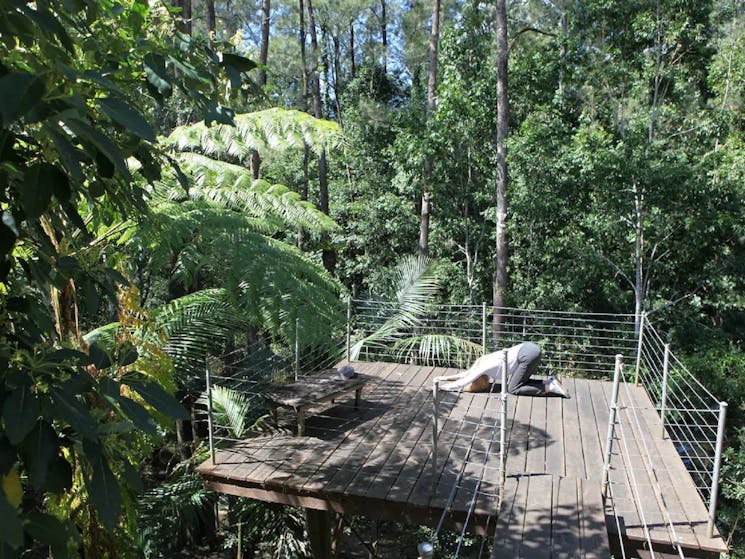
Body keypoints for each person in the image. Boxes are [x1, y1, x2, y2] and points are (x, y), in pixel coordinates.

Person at [437, 341, 569, 397]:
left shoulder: (483, 368)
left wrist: (441, 387)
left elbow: (462, 382)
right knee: (518, 382)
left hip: (527, 354)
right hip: (529, 348)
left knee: (513, 389)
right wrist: (442, 378)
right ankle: (549, 382)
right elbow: (466, 375)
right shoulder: (482, 361)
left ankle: (551, 388)